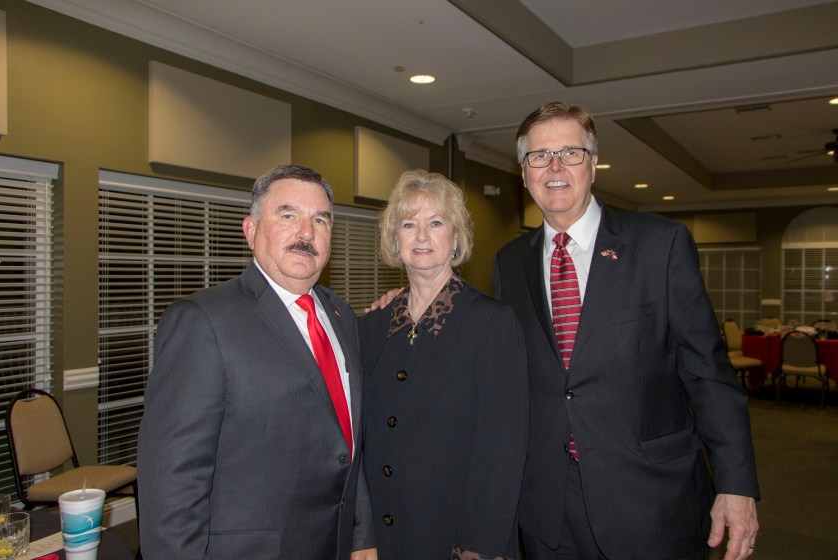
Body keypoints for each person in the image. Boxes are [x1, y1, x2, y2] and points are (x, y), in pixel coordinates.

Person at [493, 102, 760, 560]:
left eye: (570, 153)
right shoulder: (508, 262)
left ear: (594, 165)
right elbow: (501, 368)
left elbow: (707, 374)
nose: (554, 166)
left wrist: (736, 484)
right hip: (546, 508)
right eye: (539, 156)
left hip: (650, 502)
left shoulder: (660, 243)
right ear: (523, 172)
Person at [137, 164, 375, 559]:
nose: (306, 232)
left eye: (320, 219)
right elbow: (172, 484)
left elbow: (349, 444)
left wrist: (362, 533)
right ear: (250, 230)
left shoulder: (342, 317)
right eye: (288, 215)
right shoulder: (204, 322)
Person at [360, 169, 528, 559]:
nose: (421, 236)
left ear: (455, 238)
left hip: (454, 537)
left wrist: (479, 546)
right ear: (394, 239)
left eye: (436, 222)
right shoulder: (370, 327)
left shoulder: (490, 322)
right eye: (408, 224)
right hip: (381, 539)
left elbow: (503, 447)